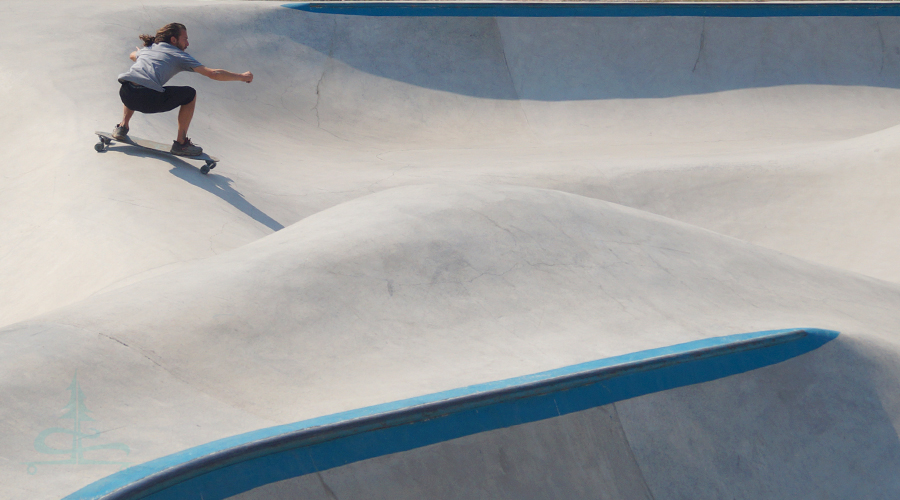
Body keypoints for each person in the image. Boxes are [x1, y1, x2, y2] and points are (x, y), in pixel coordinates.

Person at [114, 23, 253, 156]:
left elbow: (132, 55)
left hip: (125, 94)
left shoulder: (150, 49)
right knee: (189, 93)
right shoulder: (179, 55)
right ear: (173, 40)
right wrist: (242, 76)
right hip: (148, 100)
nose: (187, 44)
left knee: (135, 77)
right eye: (185, 39)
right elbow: (213, 73)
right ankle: (181, 144)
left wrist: (142, 55)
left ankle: (122, 127)